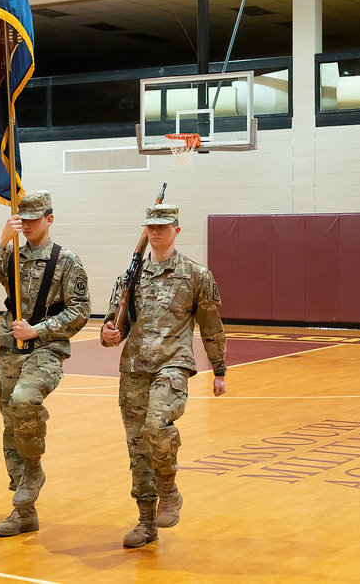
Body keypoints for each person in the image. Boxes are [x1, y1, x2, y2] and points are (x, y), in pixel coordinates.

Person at [100, 204, 228, 549]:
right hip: (133, 369)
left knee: (157, 426)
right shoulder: (131, 276)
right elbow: (116, 322)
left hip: (172, 364)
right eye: (151, 227)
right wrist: (108, 333)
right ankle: (145, 522)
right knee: (137, 448)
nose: (156, 232)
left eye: (163, 226)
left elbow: (211, 327)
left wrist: (219, 371)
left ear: (176, 229)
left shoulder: (195, 275)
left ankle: (168, 489)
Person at [0, 191, 91, 537]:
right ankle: (23, 510)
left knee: (25, 402)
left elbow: (80, 310)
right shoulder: (10, 253)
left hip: (47, 348)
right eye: (21, 219)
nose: (26, 225)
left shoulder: (67, 260)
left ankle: (34, 470)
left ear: (49, 219)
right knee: (11, 423)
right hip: (11, 348)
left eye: (33, 219)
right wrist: (1, 240)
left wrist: (38, 329)